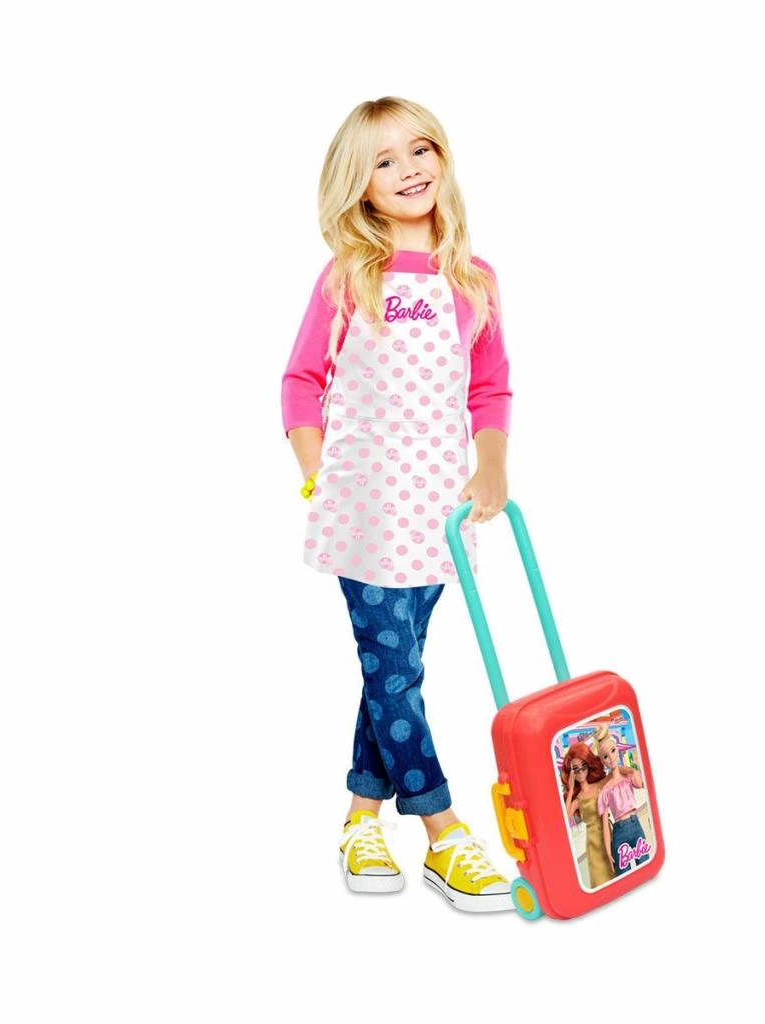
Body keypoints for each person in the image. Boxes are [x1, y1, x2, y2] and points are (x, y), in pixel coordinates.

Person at [281, 96, 515, 913]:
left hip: (437, 514)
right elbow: (300, 381)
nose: (409, 169)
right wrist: (316, 473)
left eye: (420, 149)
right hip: (363, 509)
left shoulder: (473, 280)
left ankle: (359, 819)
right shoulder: (348, 277)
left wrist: (492, 467)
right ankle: (445, 833)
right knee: (394, 669)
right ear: (358, 184)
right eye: (384, 160)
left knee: (395, 670)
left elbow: (490, 388)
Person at [595, 725, 651, 876]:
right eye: (605, 756)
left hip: (635, 825)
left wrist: (631, 770)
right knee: (624, 875)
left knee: (644, 868)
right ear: (602, 761)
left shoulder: (628, 778)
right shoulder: (605, 790)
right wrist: (608, 851)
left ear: (618, 749)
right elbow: (605, 823)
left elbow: (641, 783)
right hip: (618, 832)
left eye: (613, 751)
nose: (611, 758)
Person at [561, 742, 617, 889]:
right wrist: (571, 789)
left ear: (589, 765)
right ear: (571, 773)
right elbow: (565, 818)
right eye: (575, 768)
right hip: (593, 844)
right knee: (600, 879)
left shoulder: (599, 785)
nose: (580, 771)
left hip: (609, 833)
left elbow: (615, 773)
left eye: (583, 766)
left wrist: (631, 771)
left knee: (617, 871)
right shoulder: (577, 799)